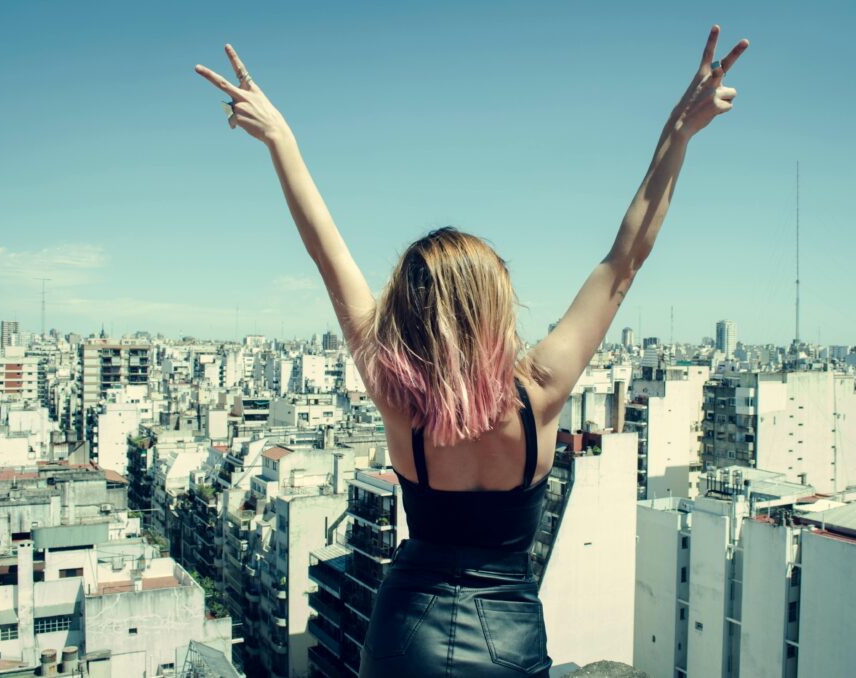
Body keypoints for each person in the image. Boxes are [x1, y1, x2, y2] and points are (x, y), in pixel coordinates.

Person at [196, 24, 747, 678]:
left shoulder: (399, 401)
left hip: (405, 635)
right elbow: (625, 259)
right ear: (494, 302)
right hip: (507, 640)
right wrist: (677, 134)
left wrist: (280, 139)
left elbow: (327, 252)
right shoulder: (539, 391)